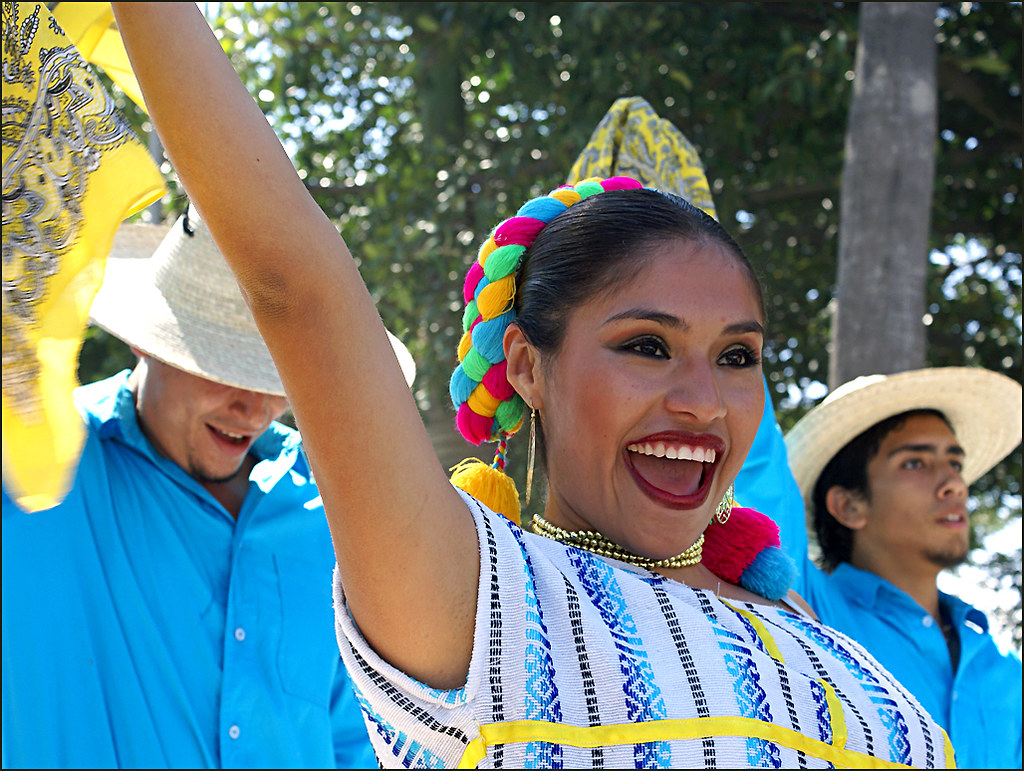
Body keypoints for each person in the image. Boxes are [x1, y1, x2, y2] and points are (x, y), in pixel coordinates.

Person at [109, 3, 956, 767]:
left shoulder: (813, 635)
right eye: (648, 345)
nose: (703, 400)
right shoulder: (486, 604)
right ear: (524, 365)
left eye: (737, 356)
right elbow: (298, 287)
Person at [1, 209, 415, 767]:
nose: (256, 409)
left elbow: (356, 737)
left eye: (278, 375)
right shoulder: (35, 456)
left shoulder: (330, 508)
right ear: (145, 342)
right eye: (225, 368)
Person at [737, 367, 1022, 770]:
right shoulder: (807, 610)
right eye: (915, 463)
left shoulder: (1004, 669)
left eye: (955, 464)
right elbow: (754, 448)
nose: (954, 484)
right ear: (849, 506)